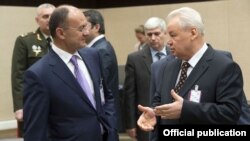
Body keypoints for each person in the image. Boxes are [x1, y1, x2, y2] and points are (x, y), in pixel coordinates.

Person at [137, 7, 245, 141]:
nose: (169, 41)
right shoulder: (168, 66)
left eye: (173, 35)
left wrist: (186, 109)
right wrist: (155, 113)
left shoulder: (224, 66)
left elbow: (230, 113)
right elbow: (159, 101)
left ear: (193, 33)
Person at [23, 5, 118, 141]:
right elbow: (35, 132)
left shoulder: (93, 56)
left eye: (86, 26)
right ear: (61, 33)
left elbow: (107, 97)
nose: (87, 32)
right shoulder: (38, 75)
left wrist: (112, 128)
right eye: (81, 29)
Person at [11, 3, 55, 137]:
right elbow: (18, 75)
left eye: (52, 16)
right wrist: (19, 106)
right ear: (37, 20)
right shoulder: (25, 41)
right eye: (45, 16)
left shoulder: (63, 40)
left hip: (58, 102)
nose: (49, 19)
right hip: (34, 102)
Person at [123, 17, 170, 141]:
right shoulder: (135, 59)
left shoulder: (176, 55)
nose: (153, 38)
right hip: (146, 119)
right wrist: (130, 124)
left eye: (157, 33)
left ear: (165, 33)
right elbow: (129, 94)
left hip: (172, 118)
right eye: (149, 34)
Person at [83, 9, 120, 130]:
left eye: (84, 26)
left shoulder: (101, 50)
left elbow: (98, 85)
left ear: (96, 27)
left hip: (103, 116)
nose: (82, 31)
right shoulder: (98, 48)